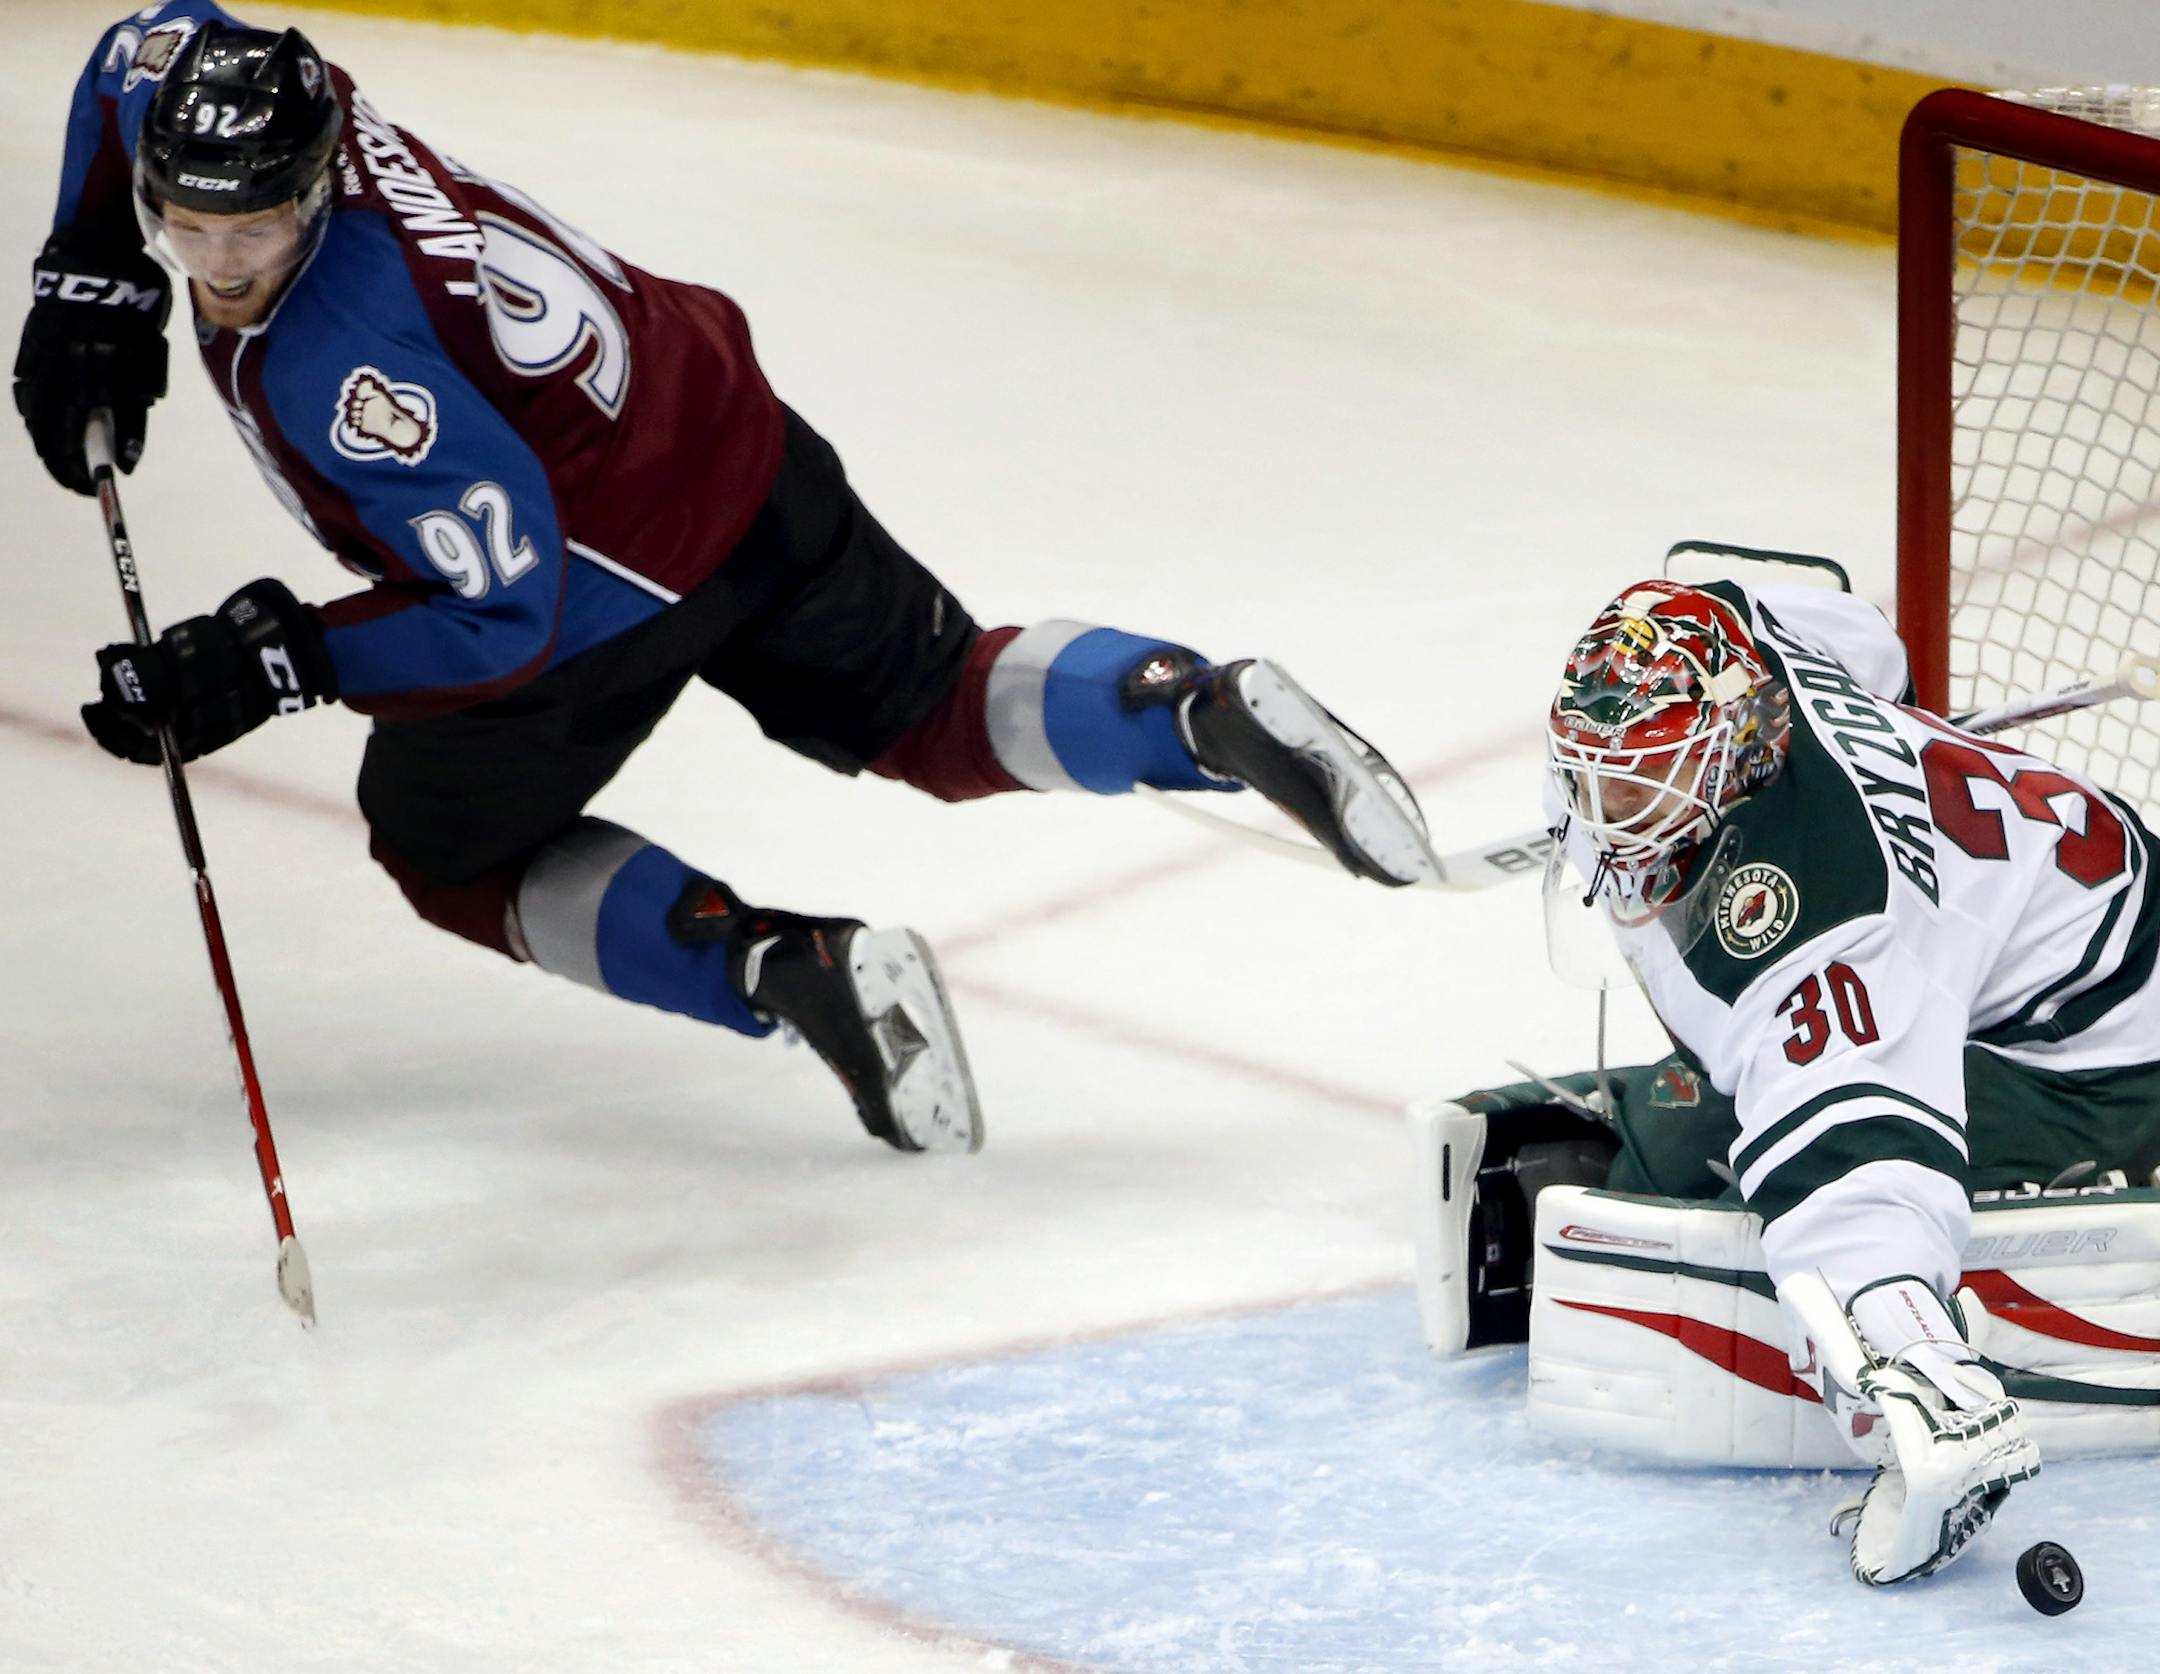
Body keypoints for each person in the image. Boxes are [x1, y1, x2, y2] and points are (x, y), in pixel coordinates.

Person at [14, 5, 1442, 1156]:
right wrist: (90, 266)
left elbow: (501, 622)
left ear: (320, 184)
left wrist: (280, 658)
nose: (219, 264)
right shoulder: (287, 102)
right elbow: (143, 39)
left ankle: (781, 967)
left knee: (446, 849)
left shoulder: (349, 373)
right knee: (932, 701)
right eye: (182, 225)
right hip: (728, 437)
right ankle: (1196, 708)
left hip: (588, 581)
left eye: (253, 231)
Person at [1526, 570, 2160, 1584]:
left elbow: (1860, 1167)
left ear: (1733, 747)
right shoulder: (1739, 635)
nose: (1606, 813)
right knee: (1687, 1123)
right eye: (1591, 775)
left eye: (1640, 782)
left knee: (1731, 1168)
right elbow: (1866, 643)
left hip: (2106, 1060)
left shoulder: (1828, 916)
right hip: (2041, 934)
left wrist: (1916, 1373)